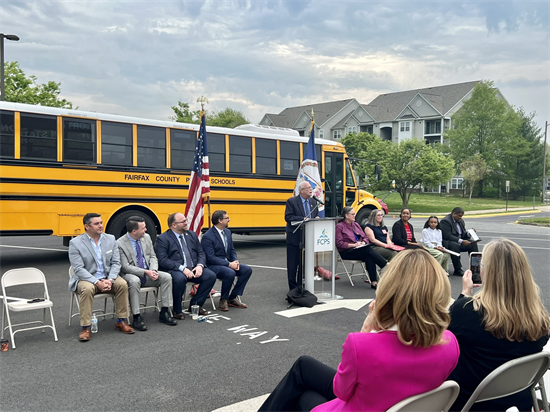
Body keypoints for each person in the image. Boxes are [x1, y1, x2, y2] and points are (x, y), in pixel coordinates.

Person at [258, 249, 460, 412]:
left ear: (388, 290)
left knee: (304, 397)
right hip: (398, 402)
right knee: (304, 365)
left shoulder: (362, 346)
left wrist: (367, 332)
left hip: (364, 404)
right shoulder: (450, 343)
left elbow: (341, 391)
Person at [448, 238, 550, 412]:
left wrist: (465, 295)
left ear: (487, 271)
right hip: (517, 404)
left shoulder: (466, 311)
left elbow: (448, 343)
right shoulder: (540, 321)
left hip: (470, 404)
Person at [68, 213, 135, 341]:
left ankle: (121, 321)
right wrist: (96, 282)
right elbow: (78, 269)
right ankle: (86, 327)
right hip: (87, 278)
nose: (101, 226)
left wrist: (110, 279)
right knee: (87, 289)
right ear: (86, 226)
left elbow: (116, 263)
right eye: (96, 223)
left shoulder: (110, 239)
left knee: (122, 284)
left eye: (101, 222)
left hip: (107, 277)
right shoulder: (75, 243)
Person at [117, 216, 178, 331]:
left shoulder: (147, 237)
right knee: (134, 281)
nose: (146, 230)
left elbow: (153, 256)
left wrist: (154, 270)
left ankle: (165, 312)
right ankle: (136, 317)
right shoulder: (120, 243)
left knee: (166, 277)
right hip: (132, 274)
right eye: (143, 228)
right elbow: (125, 267)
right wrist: (146, 272)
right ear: (134, 231)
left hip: (149, 271)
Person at [155, 212, 216, 319]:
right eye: (183, 221)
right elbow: (163, 260)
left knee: (210, 275)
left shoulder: (191, 235)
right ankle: (177, 309)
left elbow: (201, 252)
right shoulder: (163, 239)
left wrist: (200, 265)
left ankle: (195, 304)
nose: (186, 223)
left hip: (193, 267)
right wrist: (182, 268)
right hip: (175, 269)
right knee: (179, 279)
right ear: (174, 225)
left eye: (186, 220)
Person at [201, 210, 252, 311]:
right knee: (230, 272)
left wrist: (235, 261)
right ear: (220, 220)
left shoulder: (228, 232)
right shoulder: (207, 236)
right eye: (227, 218)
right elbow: (210, 258)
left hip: (227, 263)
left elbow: (231, 250)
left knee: (247, 270)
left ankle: (232, 297)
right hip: (213, 265)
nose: (229, 219)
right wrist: (229, 264)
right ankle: (223, 299)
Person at [336, 207, 387, 289]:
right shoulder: (340, 226)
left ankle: (374, 282)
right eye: (352, 214)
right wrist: (354, 245)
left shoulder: (356, 225)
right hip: (347, 251)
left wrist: (363, 242)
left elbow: (365, 237)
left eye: (354, 214)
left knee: (369, 256)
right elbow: (339, 244)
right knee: (368, 250)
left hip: (359, 249)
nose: (354, 215)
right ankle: (385, 265)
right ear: (346, 215)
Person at [285, 181, 319, 291]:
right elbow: (288, 217)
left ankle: (300, 286)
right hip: (295, 237)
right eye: (308, 188)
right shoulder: (292, 201)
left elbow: (315, 215)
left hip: (308, 238)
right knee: (293, 265)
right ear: (302, 190)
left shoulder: (314, 202)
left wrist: (317, 218)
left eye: (311, 187)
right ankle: (292, 288)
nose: (311, 189)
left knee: (304, 264)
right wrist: (302, 219)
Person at [440, 207, 478, 276]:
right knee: (454, 245)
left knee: (473, 244)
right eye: (459, 216)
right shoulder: (445, 221)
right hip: (448, 243)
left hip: (459, 242)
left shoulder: (461, 221)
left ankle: (475, 267)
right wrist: (461, 241)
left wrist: (469, 233)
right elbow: (447, 236)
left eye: (461, 216)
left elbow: (463, 235)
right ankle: (457, 269)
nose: (460, 218)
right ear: (454, 214)